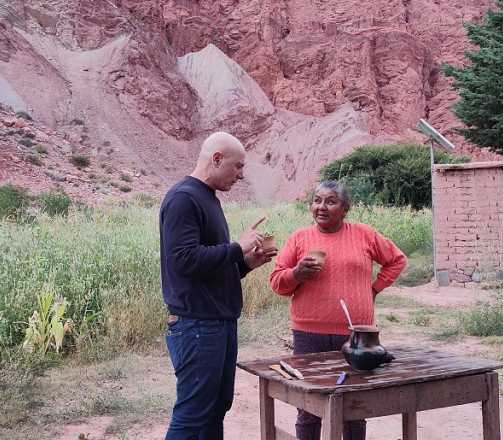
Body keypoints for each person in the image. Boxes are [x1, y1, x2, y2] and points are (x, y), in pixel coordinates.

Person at [159, 132, 277, 439]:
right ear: (216, 159)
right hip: (197, 324)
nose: (241, 175)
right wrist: (237, 246)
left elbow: (209, 268)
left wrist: (246, 263)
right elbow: (184, 261)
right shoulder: (183, 198)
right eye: (237, 167)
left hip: (217, 323)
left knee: (215, 408)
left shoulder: (207, 198)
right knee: (193, 413)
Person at [268, 180, 407, 440]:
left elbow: (397, 260)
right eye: (317, 200)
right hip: (309, 335)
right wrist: (296, 273)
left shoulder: (364, 234)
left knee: (353, 405)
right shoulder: (299, 238)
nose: (322, 207)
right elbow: (277, 283)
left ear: (345, 208)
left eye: (331, 201)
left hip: (357, 336)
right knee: (309, 405)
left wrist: (374, 289)